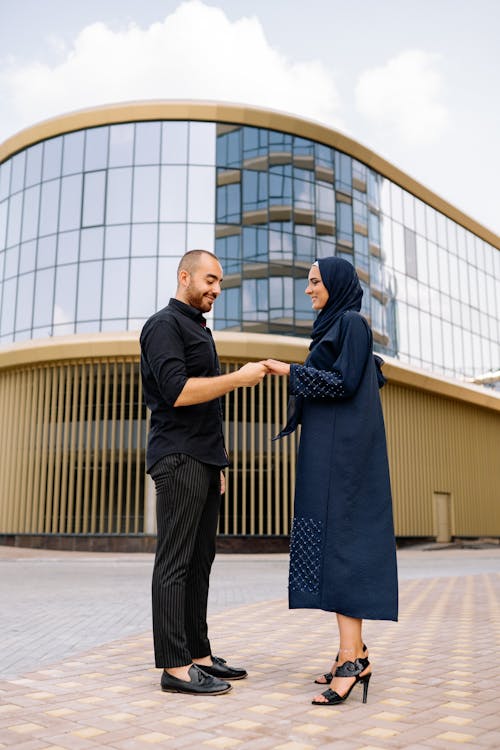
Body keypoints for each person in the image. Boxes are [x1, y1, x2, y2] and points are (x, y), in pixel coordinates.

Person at [265, 256, 398, 706]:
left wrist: (289, 371)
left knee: (345, 549)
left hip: (345, 462)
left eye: (315, 282)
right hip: (329, 457)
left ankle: (351, 661)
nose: (308, 290)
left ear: (336, 284)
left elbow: (341, 383)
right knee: (326, 546)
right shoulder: (332, 327)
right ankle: (355, 651)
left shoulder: (351, 324)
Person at [140, 249, 268, 696]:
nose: (216, 289)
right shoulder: (163, 326)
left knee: (200, 561)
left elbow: (207, 409)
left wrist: (220, 461)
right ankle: (174, 667)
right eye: (210, 280)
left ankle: (199, 655)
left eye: (219, 283)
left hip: (203, 460)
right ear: (184, 277)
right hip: (177, 458)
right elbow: (177, 392)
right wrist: (238, 377)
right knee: (174, 561)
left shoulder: (197, 328)